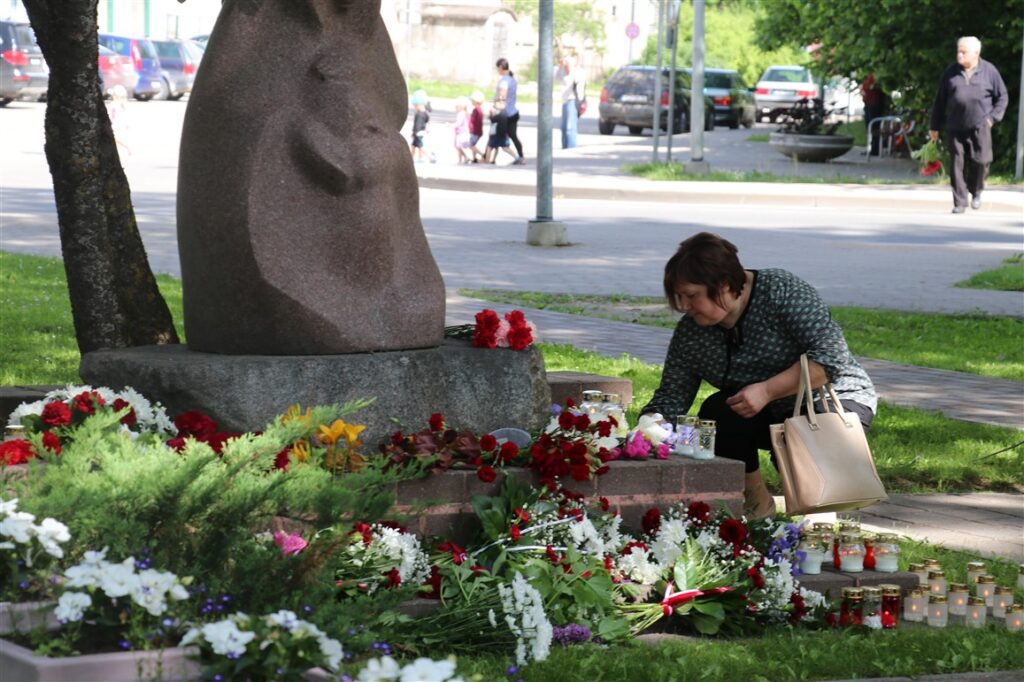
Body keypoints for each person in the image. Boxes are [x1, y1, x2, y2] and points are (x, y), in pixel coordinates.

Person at [641, 232, 876, 520]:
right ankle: (754, 504)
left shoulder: (780, 290)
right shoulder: (692, 332)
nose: (685, 306)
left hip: (830, 402)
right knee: (716, 413)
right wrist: (650, 422)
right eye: (679, 297)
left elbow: (831, 359)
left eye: (692, 296)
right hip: (767, 411)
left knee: (797, 432)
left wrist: (767, 391)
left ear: (724, 285)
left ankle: (820, 512)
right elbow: (672, 394)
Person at [929, 36, 1008, 214]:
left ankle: (977, 190)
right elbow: (940, 101)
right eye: (959, 50)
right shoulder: (951, 72)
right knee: (957, 164)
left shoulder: (989, 71)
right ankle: (960, 201)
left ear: (976, 53)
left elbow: (1002, 97)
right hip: (955, 126)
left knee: (982, 161)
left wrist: (992, 118)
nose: (960, 54)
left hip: (981, 125)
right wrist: (934, 126)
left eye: (964, 51)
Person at [495, 58, 525, 165]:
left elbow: (502, 97)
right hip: (513, 112)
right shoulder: (512, 79)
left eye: (497, 68)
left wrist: (496, 107)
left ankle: (489, 157)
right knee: (513, 136)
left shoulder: (504, 81)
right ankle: (521, 156)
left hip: (505, 114)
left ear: (501, 68)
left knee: (497, 136)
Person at [556, 54, 583, 149]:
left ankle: (571, 147)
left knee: (570, 127)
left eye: (567, 63)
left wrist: (571, 66)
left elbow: (579, 82)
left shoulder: (576, 72)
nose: (565, 65)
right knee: (563, 127)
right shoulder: (563, 72)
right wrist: (560, 65)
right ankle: (565, 146)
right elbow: (556, 77)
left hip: (573, 100)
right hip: (565, 101)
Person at [484, 97, 517, 164]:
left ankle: (487, 161)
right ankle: (492, 160)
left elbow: (493, 119)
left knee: (491, 147)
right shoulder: (502, 111)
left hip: (498, 133)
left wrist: (491, 116)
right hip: (500, 133)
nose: (494, 104)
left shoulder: (502, 112)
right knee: (500, 147)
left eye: (495, 103)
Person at [860, 74, 886, 156]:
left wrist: (864, 88)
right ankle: (872, 147)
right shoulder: (869, 75)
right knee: (870, 126)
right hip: (869, 103)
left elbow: (871, 87)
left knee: (874, 126)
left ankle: (875, 148)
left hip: (874, 104)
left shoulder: (875, 76)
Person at [409, 89, 435, 163]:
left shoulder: (420, 114)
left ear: (419, 104)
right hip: (421, 132)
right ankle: (418, 158)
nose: (415, 107)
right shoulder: (425, 113)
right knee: (415, 146)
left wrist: (414, 133)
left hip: (418, 133)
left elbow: (417, 125)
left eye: (415, 105)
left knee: (420, 147)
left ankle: (430, 157)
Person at [106, 85, 131, 156]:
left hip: (115, 126)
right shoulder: (124, 105)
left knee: (114, 138)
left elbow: (110, 116)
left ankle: (127, 147)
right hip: (121, 127)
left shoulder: (113, 105)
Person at [452, 96, 472, 164]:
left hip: (461, 133)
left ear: (461, 106)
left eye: (456, 106)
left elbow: (459, 123)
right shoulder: (464, 113)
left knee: (459, 146)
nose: (455, 108)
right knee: (459, 147)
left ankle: (465, 157)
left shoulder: (461, 114)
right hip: (462, 132)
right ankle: (462, 158)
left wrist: (452, 125)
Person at [468, 90, 486, 163]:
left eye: (472, 100)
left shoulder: (476, 110)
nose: (471, 102)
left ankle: (482, 154)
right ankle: (474, 158)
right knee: (473, 144)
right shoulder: (480, 110)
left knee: (471, 145)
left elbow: (472, 121)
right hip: (478, 131)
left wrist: (470, 128)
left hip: (475, 131)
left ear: (475, 101)